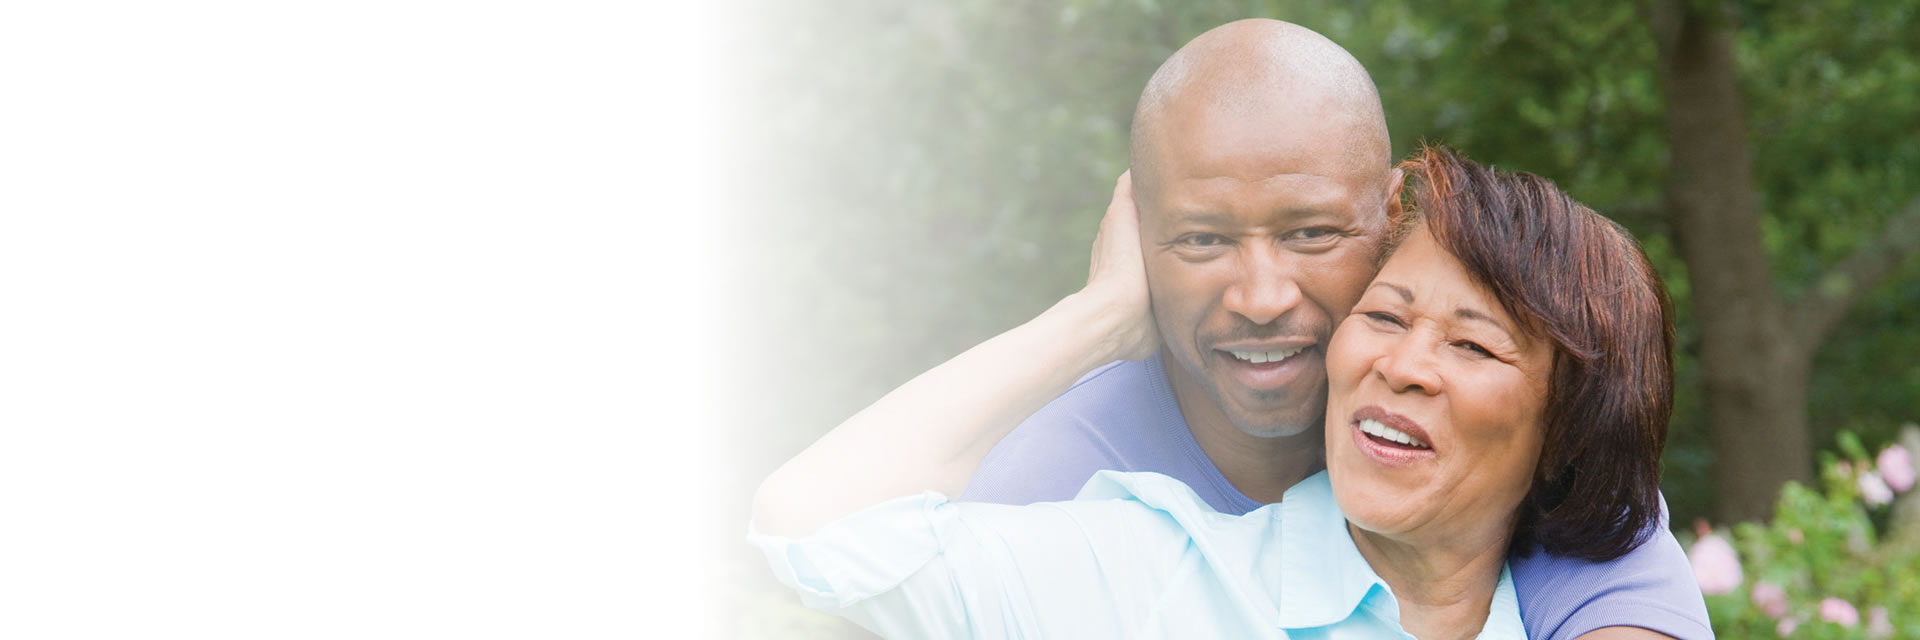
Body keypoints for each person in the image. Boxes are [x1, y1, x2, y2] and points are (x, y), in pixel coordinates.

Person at [957, 19, 1709, 639]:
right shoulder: (1053, 485)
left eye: (1312, 233)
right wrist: (1090, 324)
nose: (1260, 297)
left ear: (1393, 218)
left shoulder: (1507, 453)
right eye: (1201, 241)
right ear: (1139, 236)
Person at [752, 147, 1678, 638]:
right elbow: (810, 523)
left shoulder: (1576, 615)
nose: (1402, 365)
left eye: (1473, 344)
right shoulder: (1150, 569)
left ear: (1566, 429)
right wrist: (1101, 317)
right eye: (1386, 318)